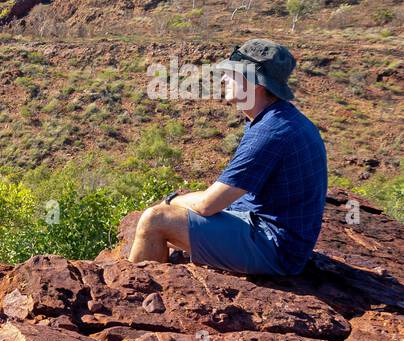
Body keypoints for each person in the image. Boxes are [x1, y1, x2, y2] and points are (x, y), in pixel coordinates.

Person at [128, 39, 326, 276]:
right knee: (175, 217)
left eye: (232, 73)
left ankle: (136, 292)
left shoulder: (271, 132)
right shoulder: (278, 118)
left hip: (275, 248)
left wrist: (171, 201)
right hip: (276, 234)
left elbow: (207, 205)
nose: (223, 79)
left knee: (155, 220)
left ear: (255, 83)